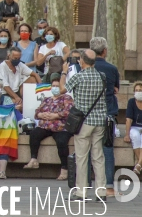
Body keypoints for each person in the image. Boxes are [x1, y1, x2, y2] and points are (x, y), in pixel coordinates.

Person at [59, 49, 107, 202]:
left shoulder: (78, 77)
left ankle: (81, 192)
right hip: (99, 121)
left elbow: (61, 90)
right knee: (98, 157)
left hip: (83, 122)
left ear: (83, 61)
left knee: (81, 157)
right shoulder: (102, 76)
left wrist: (64, 73)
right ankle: (101, 192)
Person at [24, 73, 74, 180]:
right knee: (34, 134)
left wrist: (56, 115)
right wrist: (41, 115)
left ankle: (64, 169)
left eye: (57, 86)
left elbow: (69, 111)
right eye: (53, 86)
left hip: (61, 127)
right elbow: (37, 111)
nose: (55, 88)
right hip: (46, 126)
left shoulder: (66, 98)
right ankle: (33, 159)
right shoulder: (47, 99)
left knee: (61, 141)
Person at [90, 36, 119, 197]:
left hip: (88, 115)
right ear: (105, 51)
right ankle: (108, 186)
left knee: (86, 150)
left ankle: (85, 184)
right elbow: (115, 89)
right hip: (107, 113)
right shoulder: (112, 68)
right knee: (107, 149)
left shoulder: (85, 68)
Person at [124, 82, 142, 175]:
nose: (138, 92)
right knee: (135, 136)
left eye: (140, 90)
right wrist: (127, 134)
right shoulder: (131, 102)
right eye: (137, 90)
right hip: (135, 127)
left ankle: (138, 165)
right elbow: (128, 119)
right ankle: (140, 164)